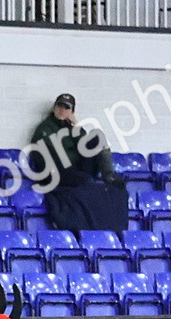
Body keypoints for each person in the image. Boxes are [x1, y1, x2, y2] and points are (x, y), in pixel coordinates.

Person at [28, 93, 127, 234]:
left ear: (72, 112)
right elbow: (54, 156)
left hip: (74, 168)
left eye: (66, 108)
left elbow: (85, 146)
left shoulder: (72, 128)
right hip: (56, 171)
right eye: (59, 106)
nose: (62, 110)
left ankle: (109, 175)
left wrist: (76, 127)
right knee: (85, 180)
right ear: (54, 108)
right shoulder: (45, 129)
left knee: (97, 136)